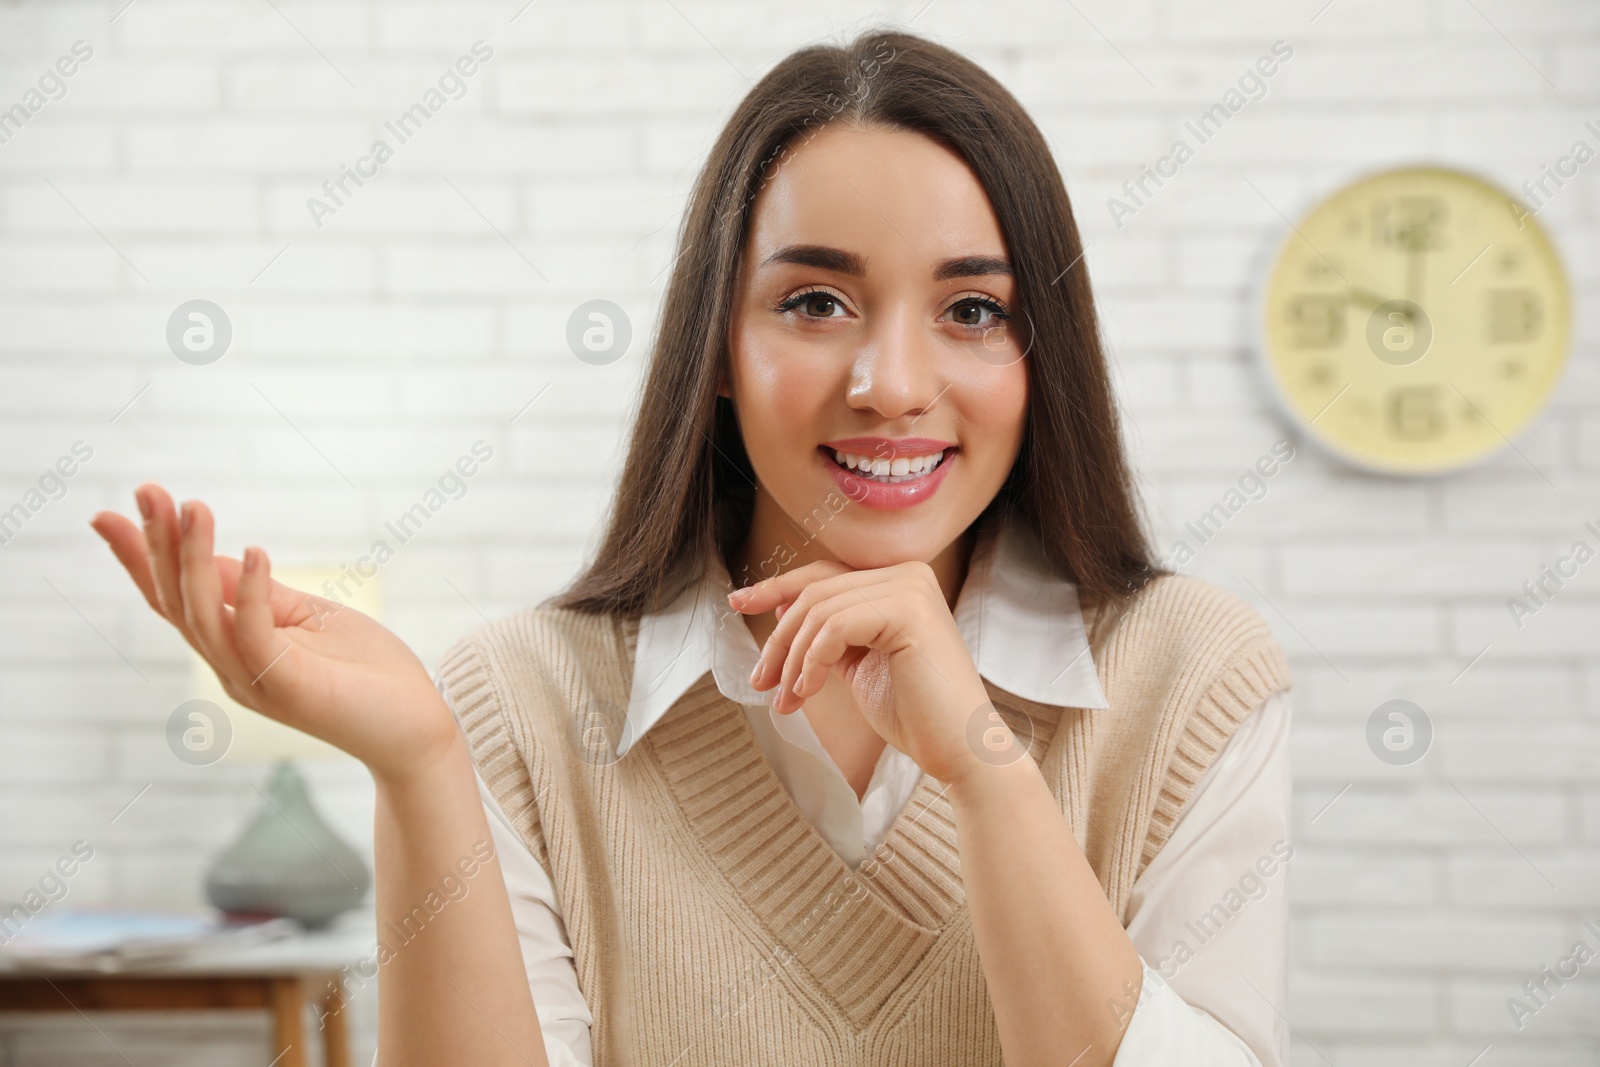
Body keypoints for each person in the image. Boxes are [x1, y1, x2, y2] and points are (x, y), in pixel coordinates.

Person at [91, 28, 1294, 1067]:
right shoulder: (521, 700)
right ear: (715, 346)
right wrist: (418, 764)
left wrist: (982, 767)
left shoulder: (1189, 672)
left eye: (973, 310)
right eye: (814, 302)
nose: (890, 384)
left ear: (1044, 353)